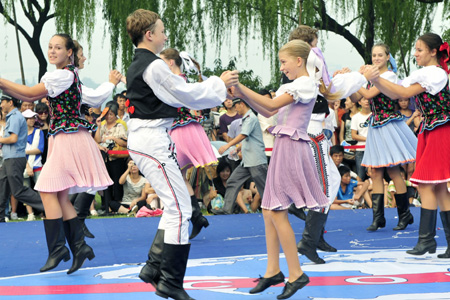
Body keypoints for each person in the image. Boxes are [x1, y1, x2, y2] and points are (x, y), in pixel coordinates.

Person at [124, 9, 238, 300]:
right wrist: (219, 83)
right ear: (149, 34)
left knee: (175, 204)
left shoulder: (140, 63)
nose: (165, 36)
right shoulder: (154, 65)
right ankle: (170, 282)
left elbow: (179, 94)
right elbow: (185, 94)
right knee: (180, 209)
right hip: (151, 140)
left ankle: (153, 267)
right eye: (162, 31)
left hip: (149, 139)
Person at [231, 39, 340, 299]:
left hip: (292, 146)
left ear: (299, 60)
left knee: (276, 211)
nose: (282, 67)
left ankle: (294, 273)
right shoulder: (294, 85)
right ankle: (274, 271)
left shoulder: (304, 84)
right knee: (269, 210)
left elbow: (269, 106)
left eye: (284, 62)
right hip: (285, 145)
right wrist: (242, 94)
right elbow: (268, 109)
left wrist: (240, 87)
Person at [0, 34, 113, 273]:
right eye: (50, 47)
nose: (52, 51)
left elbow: (30, 94)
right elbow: (94, 96)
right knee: (58, 196)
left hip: (69, 139)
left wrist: (2, 82)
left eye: (58, 47)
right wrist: (111, 84)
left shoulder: (62, 75)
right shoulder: (71, 77)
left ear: (69, 52)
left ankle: (58, 249)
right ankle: (78, 246)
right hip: (67, 138)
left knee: (47, 190)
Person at [284, 25, 368, 265]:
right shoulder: (309, 61)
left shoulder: (300, 64)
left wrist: (341, 79)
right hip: (311, 130)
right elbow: (330, 91)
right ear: (311, 43)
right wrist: (356, 77)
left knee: (329, 185)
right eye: (316, 42)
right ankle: (308, 239)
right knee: (325, 185)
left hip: (313, 128)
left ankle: (315, 236)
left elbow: (327, 88)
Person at [365, 32, 450, 257]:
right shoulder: (425, 73)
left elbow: (402, 92)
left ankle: (426, 241)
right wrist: (365, 77)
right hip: (431, 129)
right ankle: (433, 242)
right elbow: (395, 92)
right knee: (439, 186)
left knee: (425, 184)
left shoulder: (436, 73)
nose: (415, 53)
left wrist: (374, 78)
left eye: (419, 50)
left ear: (434, 52)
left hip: (439, 129)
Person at [350, 43, 417, 231]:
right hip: (376, 125)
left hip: (388, 124)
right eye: (373, 55)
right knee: (376, 172)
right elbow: (356, 98)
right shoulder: (372, 77)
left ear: (388, 57)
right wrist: (350, 82)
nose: (376, 58)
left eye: (380, 55)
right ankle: (378, 218)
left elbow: (369, 94)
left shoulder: (388, 76)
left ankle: (405, 214)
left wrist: (357, 79)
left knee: (394, 171)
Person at [160, 48, 215, 239]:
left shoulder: (175, 81)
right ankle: (193, 216)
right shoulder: (182, 80)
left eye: (161, 61)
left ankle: (194, 216)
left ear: (170, 63)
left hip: (181, 131)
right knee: (178, 176)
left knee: (176, 176)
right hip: (186, 129)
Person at [215, 98, 268, 215]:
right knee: (232, 182)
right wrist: (237, 148)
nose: (235, 109)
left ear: (242, 104)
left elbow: (244, 135)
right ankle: (226, 209)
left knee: (264, 189)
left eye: (236, 106)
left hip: (256, 160)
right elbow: (248, 139)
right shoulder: (246, 119)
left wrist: (227, 146)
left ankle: (278, 210)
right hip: (247, 161)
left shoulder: (251, 118)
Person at [0, 96, 44, 223]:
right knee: (2, 189)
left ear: (10, 102)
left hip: (14, 158)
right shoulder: (12, 117)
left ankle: (48, 205)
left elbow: (13, 139)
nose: (1, 105)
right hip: (9, 158)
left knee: (18, 191)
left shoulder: (14, 117)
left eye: (2, 102)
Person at [94, 101, 128, 214]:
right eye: (107, 114)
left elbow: (125, 143)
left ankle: (117, 204)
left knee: (117, 182)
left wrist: (113, 138)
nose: (109, 116)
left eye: (111, 114)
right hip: (104, 158)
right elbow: (97, 141)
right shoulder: (103, 126)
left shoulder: (120, 126)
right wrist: (98, 127)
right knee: (106, 182)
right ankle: (107, 205)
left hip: (117, 158)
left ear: (115, 115)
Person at [350, 97, 372, 180]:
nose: (367, 101)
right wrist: (369, 139)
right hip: (360, 150)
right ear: (359, 102)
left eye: (368, 99)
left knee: (376, 174)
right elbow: (354, 135)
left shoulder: (375, 115)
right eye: (364, 99)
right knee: (361, 174)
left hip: (374, 149)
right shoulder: (355, 117)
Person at [257, 89, 276, 163]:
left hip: (277, 148)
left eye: (269, 100)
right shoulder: (260, 114)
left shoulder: (277, 112)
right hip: (267, 151)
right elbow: (269, 129)